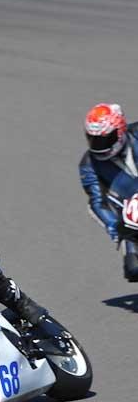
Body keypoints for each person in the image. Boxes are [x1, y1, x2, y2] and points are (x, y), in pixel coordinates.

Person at [79, 103, 138, 282]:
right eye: (93, 139)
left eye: (104, 139)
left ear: (119, 131)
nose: (98, 145)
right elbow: (97, 202)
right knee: (133, 268)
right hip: (132, 216)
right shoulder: (89, 164)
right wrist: (116, 227)